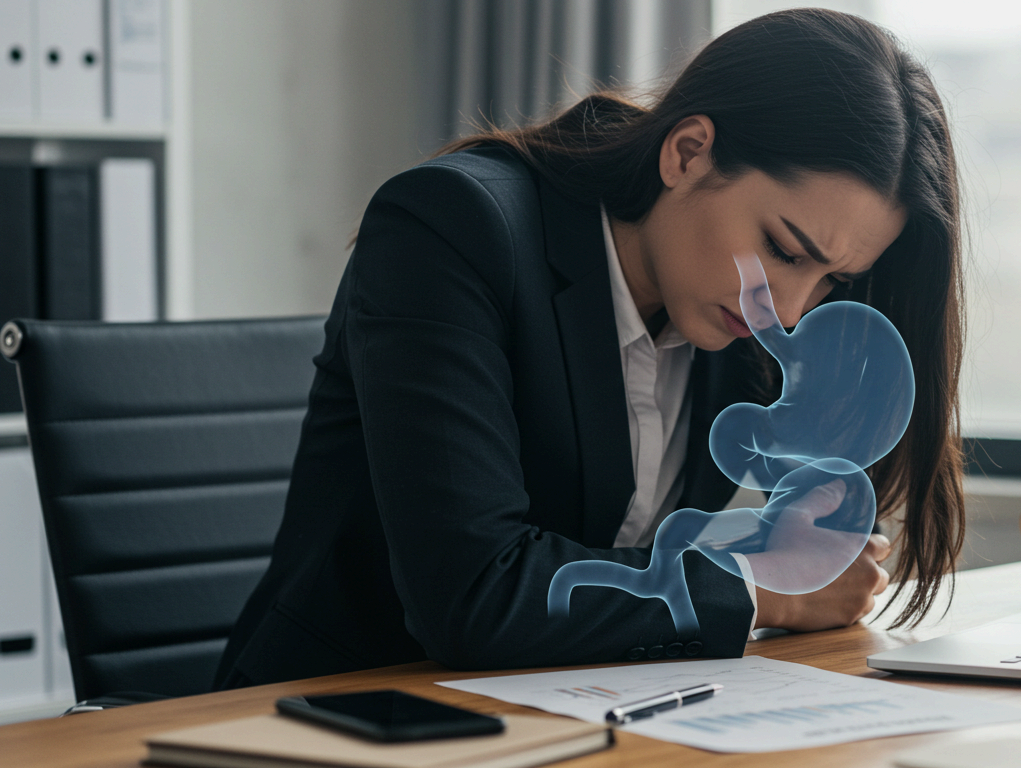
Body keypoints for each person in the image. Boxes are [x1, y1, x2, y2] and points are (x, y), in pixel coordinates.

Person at [215, 7, 965, 688]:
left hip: (573, 708)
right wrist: (757, 584)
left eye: (834, 280)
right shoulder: (451, 228)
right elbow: (472, 595)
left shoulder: (733, 323)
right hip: (344, 711)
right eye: (784, 248)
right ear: (688, 152)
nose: (792, 309)